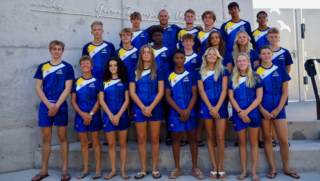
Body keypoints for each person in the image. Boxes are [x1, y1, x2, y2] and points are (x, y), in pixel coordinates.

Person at [254, 45, 300, 179]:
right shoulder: (255, 71)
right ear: (260, 56)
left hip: (278, 109)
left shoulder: (280, 70)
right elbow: (254, 95)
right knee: (267, 138)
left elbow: (285, 91)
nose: (266, 55)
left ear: (272, 55)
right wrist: (262, 110)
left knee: (284, 140)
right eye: (264, 53)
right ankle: (273, 168)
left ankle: (286, 168)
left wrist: (278, 109)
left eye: (269, 53)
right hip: (263, 110)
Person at [33, 40, 74, 181]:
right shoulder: (43, 67)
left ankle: (65, 169)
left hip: (60, 105)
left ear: (62, 51)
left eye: (59, 49)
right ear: (50, 50)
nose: (57, 51)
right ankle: (44, 170)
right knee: (46, 138)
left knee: (62, 137)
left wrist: (56, 105)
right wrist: (49, 105)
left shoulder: (67, 67)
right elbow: (38, 87)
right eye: (54, 49)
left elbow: (68, 89)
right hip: (46, 105)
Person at [165, 49, 205, 180]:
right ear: (173, 59)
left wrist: (187, 110)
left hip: (190, 112)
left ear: (184, 59)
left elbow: (195, 94)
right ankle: (177, 168)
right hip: (175, 113)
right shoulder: (169, 76)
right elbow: (167, 96)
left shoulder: (191, 75)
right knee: (176, 139)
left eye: (181, 58)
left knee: (193, 138)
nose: (179, 60)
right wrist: (180, 111)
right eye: (176, 58)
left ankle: (195, 168)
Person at [129, 45, 165, 179]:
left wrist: (150, 108)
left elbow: (161, 92)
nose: (146, 55)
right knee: (141, 139)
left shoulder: (158, 71)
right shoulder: (134, 71)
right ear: (140, 55)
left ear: (151, 55)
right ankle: (143, 168)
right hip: (139, 109)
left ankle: (155, 168)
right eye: (143, 52)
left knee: (155, 139)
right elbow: (132, 92)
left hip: (155, 108)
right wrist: (143, 107)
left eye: (148, 52)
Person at [228, 53, 263, 181]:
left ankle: (253, 171)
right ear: (236, 63)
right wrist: (240, 112)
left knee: (253, 142)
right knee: (242, 142)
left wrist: (246, 112)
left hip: (253, 114)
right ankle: (244, 170)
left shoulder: (256, 77)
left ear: (248, 62)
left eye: (244, 61)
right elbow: (231, 97)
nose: (242, 63)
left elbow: (259, 97)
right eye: (239, 61)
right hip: (238, 115)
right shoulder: (232, 78)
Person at [197, 47, 229, 180]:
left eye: (213, 54)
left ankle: (220, 167)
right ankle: (214, 167)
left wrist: (217, 108)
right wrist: (211, 108)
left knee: (220, 138)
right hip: (207, 107)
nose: (211, 56)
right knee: (210, 136)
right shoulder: (200, 71)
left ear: (218, 57)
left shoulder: (224, 70)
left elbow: (224, 90)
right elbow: (201, 91)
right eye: (209, 54)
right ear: (205, 56)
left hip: (220, 106)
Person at [82, 20, 115, 146]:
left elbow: (113, 62)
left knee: (108, 106)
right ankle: (92, 139)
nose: (97, 31)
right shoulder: (87, 47)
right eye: (94, 30)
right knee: (92, 106)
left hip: (107, 80)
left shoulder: (110, 46)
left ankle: (108, 137)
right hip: (92, 80)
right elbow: (85, 63)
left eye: (98, 29)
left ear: (102, 31)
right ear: (92, 32)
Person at [98, 57, 131, 179]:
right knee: (111, 144)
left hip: (122, 116)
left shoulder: (124, 81)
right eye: (110, 65)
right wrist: (112, 116)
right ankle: (113, 171)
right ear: (108, 67)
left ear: (119, 67)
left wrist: (118, 115)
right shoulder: (103, 82)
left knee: (122, 143)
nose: (113, 67)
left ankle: (123, 170)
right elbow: (101, 100)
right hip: (108, 117)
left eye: (115, 65)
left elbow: (127, 100)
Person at [71, 56, 102, 179]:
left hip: (94, 116)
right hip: (80, 117)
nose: (85, 65)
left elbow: (100, 100)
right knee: (84, 143)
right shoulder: (76, 82)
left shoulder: (97, 81)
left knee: (95, 142)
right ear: (80, 66)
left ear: (91, 66)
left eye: (87, 63)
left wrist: (91, 114)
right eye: (83, 63)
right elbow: (73, 101)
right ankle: (86, 169)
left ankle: (98, 168)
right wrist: (82, 114)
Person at [150, 25, 173, 146]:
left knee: (167, 110)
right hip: (152, 85)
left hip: (166, 84)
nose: (157, 37)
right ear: (152, 37)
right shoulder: (148, 51)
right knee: (154, 109)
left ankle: (169, 135)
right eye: (155, 35)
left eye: (159, 35)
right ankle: (155, 136)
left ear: (163, 36)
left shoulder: (168, 50)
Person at [180, 33, 202, 147]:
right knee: (182, 110)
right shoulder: (179, 56)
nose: (188, 43)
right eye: (185, 41)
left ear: (193, 43)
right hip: (181, 88)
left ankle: (197, 136)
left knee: (197, 112)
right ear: (182, 43)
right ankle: (185, 137)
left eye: (190, 41)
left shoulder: (198, 57)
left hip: (195, 88)